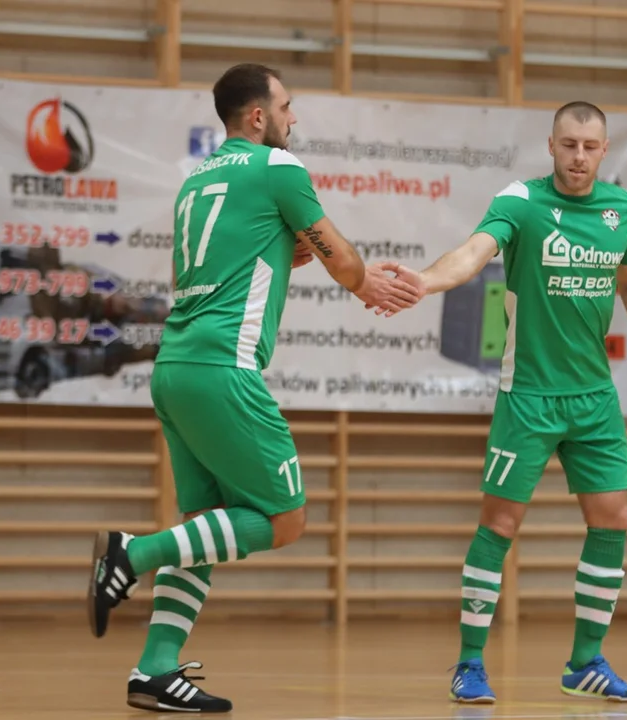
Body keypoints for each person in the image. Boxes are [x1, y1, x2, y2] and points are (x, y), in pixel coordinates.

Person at [85, 62, 421, 713]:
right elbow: (341, 257)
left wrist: (289, 249)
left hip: (175, 368)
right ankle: (134, 552)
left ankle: (155, 669)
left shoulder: (196, 183)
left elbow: (246, 253)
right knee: (285, 518)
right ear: (259, 116)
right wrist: (365, 283)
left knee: (208, 526)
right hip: (223, 370)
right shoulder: (278, 169)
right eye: (288, 107)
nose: (295, 120)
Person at [386, 101, 627, 703]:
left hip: (594, 399)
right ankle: (469, 662)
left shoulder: (622, 209)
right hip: (529, 398)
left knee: (613, 518)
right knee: (501, 523)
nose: (579, 157)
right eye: (569, 145)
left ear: (605, 149)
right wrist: (427, 281)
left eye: (591, 147)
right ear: (551, 144)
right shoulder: (521, 201)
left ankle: (584, 663)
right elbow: (474, 252)